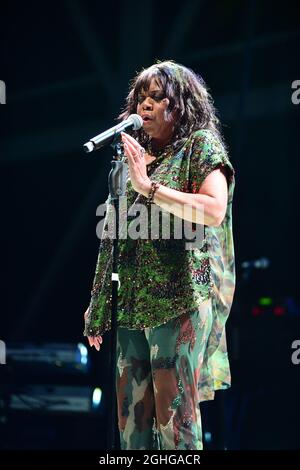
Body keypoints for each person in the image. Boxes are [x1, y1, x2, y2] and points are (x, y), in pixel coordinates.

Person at [83, 60, 235, 450]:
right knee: (130, 422)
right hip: (132, 304)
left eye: (156, 97)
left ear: (180, 104)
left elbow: (213, 209)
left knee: (174, 418)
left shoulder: (199, 145)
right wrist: (98, 301)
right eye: (140, 98)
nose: (145, 105)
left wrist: (149, 187)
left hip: (180, 299)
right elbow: (114, 233)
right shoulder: (131, 155)